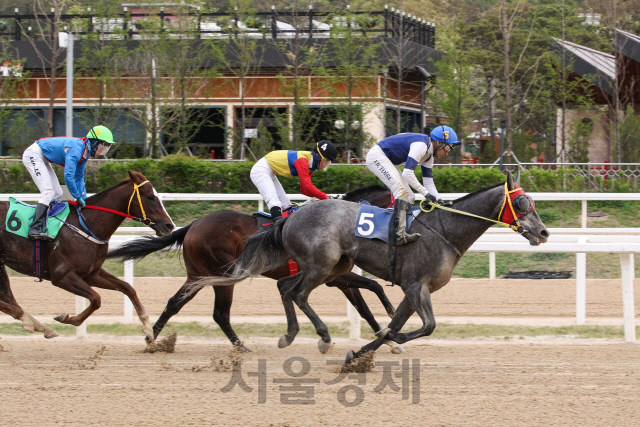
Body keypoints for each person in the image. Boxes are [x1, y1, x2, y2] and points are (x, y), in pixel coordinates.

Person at [366, 126, 460, 245]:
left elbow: (428, 183)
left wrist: (439, 199)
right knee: (401, 192)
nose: (447, 152)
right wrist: (426, 194)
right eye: (447, 147)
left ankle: (402, 228)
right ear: (439, 142)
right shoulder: (421, 146)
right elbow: (407, 173)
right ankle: (398, 234)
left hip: (385, 158)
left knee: (410, 197)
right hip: (376, 157)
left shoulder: (429, 156)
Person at [22, 125, 116, 240]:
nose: (103, 150)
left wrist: (83, 197)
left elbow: (79, 177)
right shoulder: (77, 149)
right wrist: (76, 196)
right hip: (34, 154)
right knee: (48, 192)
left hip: (43, 158)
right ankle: (34, 229)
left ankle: (47, 225)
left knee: (58, 194)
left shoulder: (84, 153)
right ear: (94, 143)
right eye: (103, 146)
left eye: (106, 147)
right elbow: (68, 176)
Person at [251, 141, 338, 221]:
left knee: (286, 205)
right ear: (319, 157)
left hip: (270, 171)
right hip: (260, 170)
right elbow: (307, 186)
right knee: (274, 202)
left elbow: (304, 190)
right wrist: (326, 198)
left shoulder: (310, 166)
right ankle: (275, 232)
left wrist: (323, 198)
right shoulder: (302, 161)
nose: (326, 165)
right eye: (326, 161)